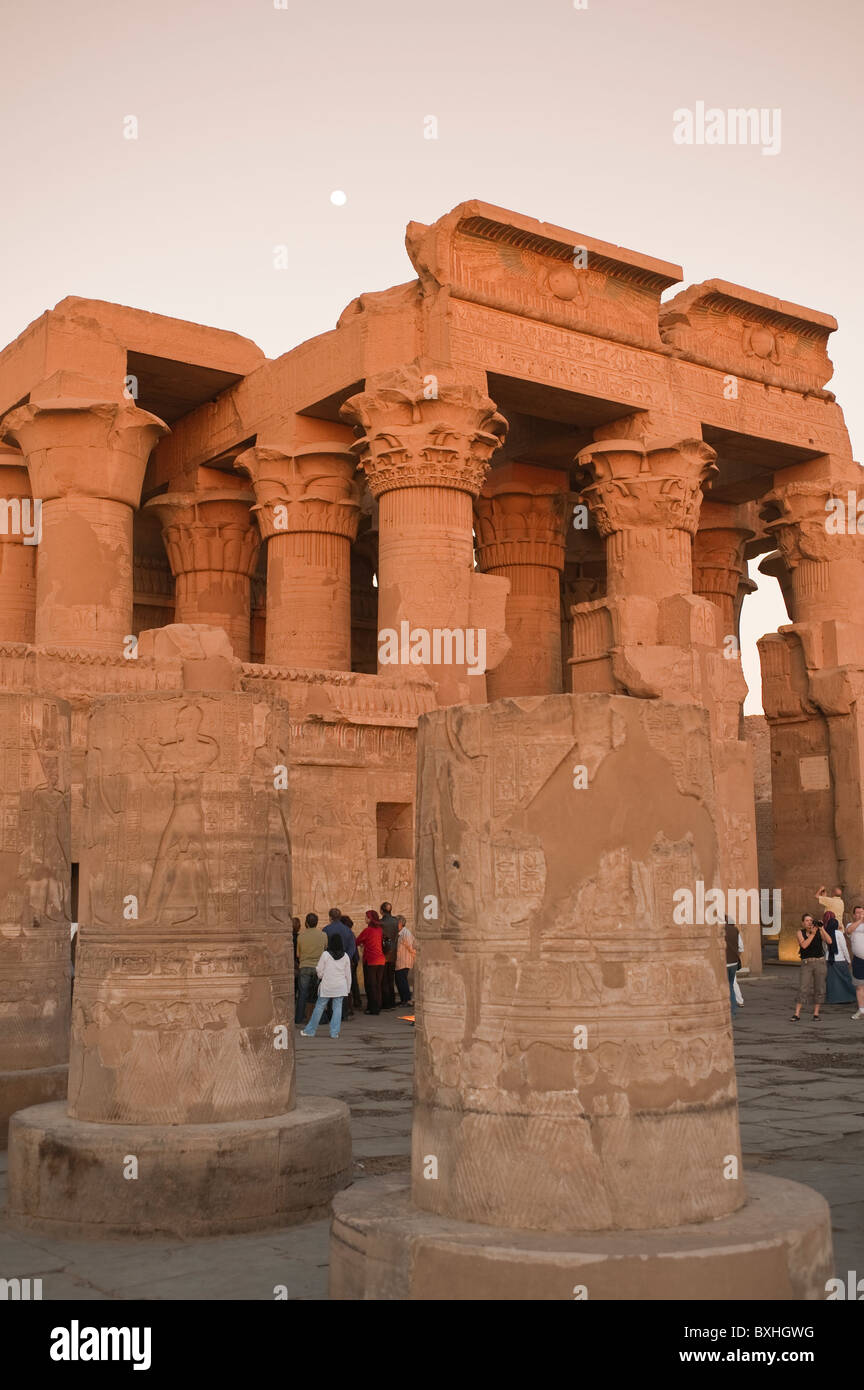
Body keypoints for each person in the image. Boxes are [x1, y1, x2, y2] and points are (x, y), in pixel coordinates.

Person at [300, 935, 351, 1039]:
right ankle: (334, 1033)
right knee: (337, 1008)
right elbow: (348, 974)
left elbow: (319, 970)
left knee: (319, 1007)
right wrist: (348, 988)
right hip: (340, 986)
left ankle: (310, 1031)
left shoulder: (325, 954)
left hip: (327, 985)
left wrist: (321, 976)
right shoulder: (346, 956)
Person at [792, 913, 831, 1021]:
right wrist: (812, 934)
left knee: (819, 988)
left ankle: (816, 1014)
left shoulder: (818, 931)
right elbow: (804, 945)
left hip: (820, 962)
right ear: (803, 923)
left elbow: (829, 941)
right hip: (807, 963)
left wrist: (822, 928)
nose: (809, 922)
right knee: (803, 988)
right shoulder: (800, 932)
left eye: (811, 920)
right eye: (807, 920)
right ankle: (797, 1014)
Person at [323, 907, 357, 1020]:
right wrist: (346, 958)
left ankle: (331, 1013)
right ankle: (343, 1013)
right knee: (344, 987)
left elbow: (324, 947)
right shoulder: (348, 930)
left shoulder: (326, 930)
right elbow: (352, 948)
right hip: (345, 962)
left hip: (331, 963)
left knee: (330, 987)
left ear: (330, 917)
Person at [822, 909, 857, 1004]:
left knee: (832, 981)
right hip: (840, 959)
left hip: (830, 960)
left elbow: (825, 948)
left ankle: (833, 998)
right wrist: (849, 960)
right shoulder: (839, 934)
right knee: (845, 979)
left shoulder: (825, 933)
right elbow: (844, 948)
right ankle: (849, 997)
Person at [294, 912, 323, 1025]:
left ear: (306, 923)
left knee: (303, 993)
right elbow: (325, 950)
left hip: (305, 966)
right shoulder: (323, 935)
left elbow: (298, 955)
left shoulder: (301, 936)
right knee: (317, 993)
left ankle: (299, 1018)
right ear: (317, 923)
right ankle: (317, 1018)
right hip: (318, 967)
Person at [356, 909, 385, 1015]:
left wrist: (363, 945)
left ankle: (373, 1008)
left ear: (370, 919)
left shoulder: (367, 931)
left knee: (370, 985)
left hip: (371, 960)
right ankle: (378, 1005)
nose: (365, 919)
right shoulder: (380, 930)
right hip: (381, 960)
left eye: (366, 917)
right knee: (377, 984)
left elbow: (357, 941)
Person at [845, 904, 864, 1020]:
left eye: (862, 912)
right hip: (858, 960)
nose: (860, 914)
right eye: (857, 912)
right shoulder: (850, 925)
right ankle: (861, 1010)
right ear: (854, 915)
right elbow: (849, 930)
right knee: (859, 986)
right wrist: (860, 920)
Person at [341, 914, 363, 1011]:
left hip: (349, 960)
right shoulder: (351, 933)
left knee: (349, 982)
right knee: (353, 982)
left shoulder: (346, 933)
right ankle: (357, 1001)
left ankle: (350, 1005)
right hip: (353, 959)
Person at [379, 901, 399, 1009]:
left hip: (383, 953)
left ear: (381, 911)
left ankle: (385, 1003)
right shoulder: (396, 921)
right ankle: (391, 1001)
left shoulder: (380, 923)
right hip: (393, 953)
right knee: (390, 979)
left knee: (384, 979)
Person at [395, 914, 416, 1005]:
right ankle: (403, 999)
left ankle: (407, 999)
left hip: (404, 961)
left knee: (402, 981)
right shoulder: (399, 933)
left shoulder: (406, 933)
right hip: (399, 962)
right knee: (399, 981)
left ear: (400, 923)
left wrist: (413, 957)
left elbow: (411, 948)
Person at [724, 919, 741, 1019]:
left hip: (724, 963)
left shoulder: (718, 930)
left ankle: (729, 1010)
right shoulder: (735, 930)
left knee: (726, 986)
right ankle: (733, 1010)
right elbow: (741, 947)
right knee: (731, 985)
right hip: (734, 963)